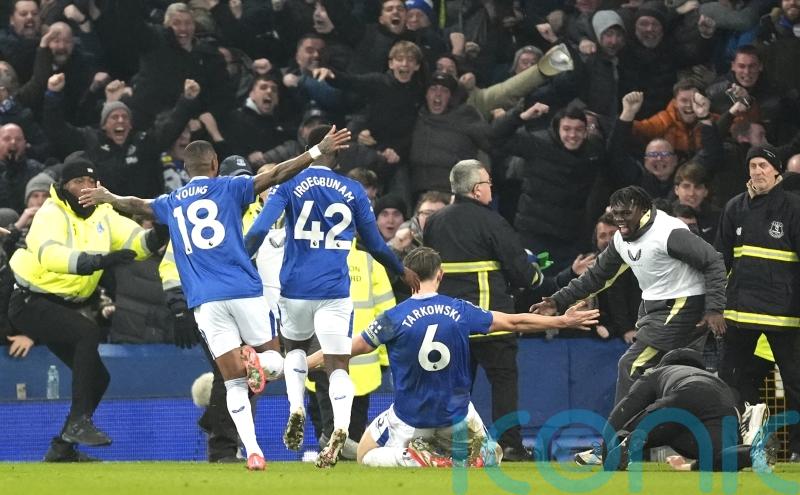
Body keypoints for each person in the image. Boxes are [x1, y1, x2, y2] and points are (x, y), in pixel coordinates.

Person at [78, 127, 352, 471]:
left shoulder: (172, 201)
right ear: (214, 163)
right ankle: (256, 359)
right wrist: (316, 152)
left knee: (233, 381)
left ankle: (252, 452)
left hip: (205, 301)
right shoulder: (231, 187)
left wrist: (108, 196)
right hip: (245, 291)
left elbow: (137, 205)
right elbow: (278, 173)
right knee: (275, 364)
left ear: (185, 167)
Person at [306, 247, 599, 467]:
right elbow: (514, 321)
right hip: (457, 415)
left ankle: (413, 457)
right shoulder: (460, 310)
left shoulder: (392, 318)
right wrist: (562, 321)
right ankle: (448, 453)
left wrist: (299, 366)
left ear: (407, 277)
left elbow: (342, 350)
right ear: (441, 274)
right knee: (491, 456)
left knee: (364, 454)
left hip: (410, 416)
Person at [243, 124, 420, 469]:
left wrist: (239, 258)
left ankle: (295, 407)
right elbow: (373, 241)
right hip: (336, 291)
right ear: (336, 153)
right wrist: (401, 270)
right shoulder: (353, 190)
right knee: (337, 364)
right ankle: (340, 427)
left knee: (294, 350)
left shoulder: (290, 185)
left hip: (294, 287)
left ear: (307, 151)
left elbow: (261, 228)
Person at [533, 185, 728, 465]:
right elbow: (596, 277)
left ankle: (614, 445)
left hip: (683, 305)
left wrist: (714, 309)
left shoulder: (668, 233)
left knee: (633, 366)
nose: (620, 220)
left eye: (627, 213)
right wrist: (556, 300)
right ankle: (724, 434)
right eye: (616, 214)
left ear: (645, 210)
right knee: (683, 380)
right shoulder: (621, 239)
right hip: (654, 307)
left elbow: (713, 261)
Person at [7, 154, 166, 462]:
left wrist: (161, 233)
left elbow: (136, 242)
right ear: (62, 186)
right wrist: (97, 261)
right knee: (86, 332)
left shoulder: (103, 212)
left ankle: (63, 448)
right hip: (29, 300)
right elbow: (50, 255)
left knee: (98, 377)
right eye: (78, 181)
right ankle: (79, 423)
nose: (85, 188)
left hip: (62, 304)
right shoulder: (50, 212)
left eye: (91, 182)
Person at [423, 159, 546, 461]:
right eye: (489, 183)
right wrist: (538, 278)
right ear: (478, 190)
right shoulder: (492, 221)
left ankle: (446, 446)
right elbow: (520, 270)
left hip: (449, 323)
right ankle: (511, 446)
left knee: (455, 387)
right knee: (503, 381)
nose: (491, 188)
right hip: (491, 320)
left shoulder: (434, 222)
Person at [715, 145, 800, 462]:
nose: (757, 171)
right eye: (752, 166)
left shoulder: (794, 207)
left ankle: (795, 448)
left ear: (777, 171)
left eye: (763, 165)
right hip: (740, 314)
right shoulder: (735, 207)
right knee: (732, 380)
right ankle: (741, 445)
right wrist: (714, 306)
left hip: (785, 316)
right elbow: (719, 260)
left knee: (795, 384)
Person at [601, 348, 772, 473]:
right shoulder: (715, 379)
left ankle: (626, 443)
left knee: (628, 433)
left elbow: (626, 409)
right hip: (723, 405)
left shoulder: (658, 372)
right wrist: (688, 466)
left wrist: (605, 445)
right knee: (716, 458)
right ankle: (752, 453)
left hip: (683, 396)